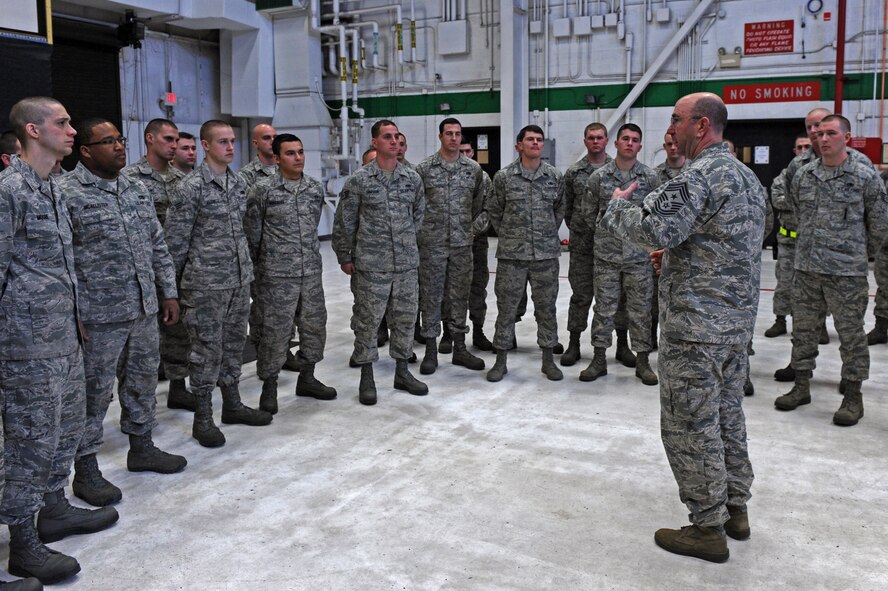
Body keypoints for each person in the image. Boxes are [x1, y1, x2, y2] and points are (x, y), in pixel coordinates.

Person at [600, 92, 764, 563]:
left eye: (677, 119)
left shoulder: (698, 175)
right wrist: (679, 257)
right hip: (734, 326)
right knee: (727, 416)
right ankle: (736, 510)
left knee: (690, 425)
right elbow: (730, 239)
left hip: (695, 328)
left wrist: (617, 206)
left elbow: (654, 228)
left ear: (702, 126)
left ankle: (706, 527)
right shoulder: (745, 176)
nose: (670, 126)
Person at [1, 97, 119, 585]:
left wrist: (76, 319)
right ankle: (24, 545)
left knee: (63, 431)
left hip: (63, 337)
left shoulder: (50, 187)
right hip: (27, 344)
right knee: (29, 442)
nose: (73, 131)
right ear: (34, 129)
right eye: (63, 123)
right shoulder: (10, 190)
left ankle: (53, 509)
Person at [59, 118, 187, 507]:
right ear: (85, 151)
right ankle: (85, 469)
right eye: (107, 141)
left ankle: (142, 446)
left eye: (120, 139)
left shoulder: (134, 188)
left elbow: (157, 244)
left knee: (143, 380)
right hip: (98, 316)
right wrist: (72, 311)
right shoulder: (67, 193)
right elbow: (61, 259)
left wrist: (168, 292)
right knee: (93, 394)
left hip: (143, 306)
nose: (118, 146)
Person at [774, 114, 888, 426]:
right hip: (807, 269)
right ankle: (801, 386)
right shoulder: (804, 175)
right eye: (820, 133)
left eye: (831, 133)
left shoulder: (865, 178)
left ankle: (853, 396)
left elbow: (879, 229)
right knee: (804, 332)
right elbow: (796, 213)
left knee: (851, 336)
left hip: (846, 274)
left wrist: (853, 255)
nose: (823, 139)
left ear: (847, 138)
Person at [165, 120, 272, 447]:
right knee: (205, 350)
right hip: (204, 285)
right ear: (206, 145)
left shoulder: (239, 184)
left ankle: (233, 404)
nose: (229, 147)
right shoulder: (191, 188)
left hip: (238, 281)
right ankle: (203, 417)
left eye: (232, 141)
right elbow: (175, 242)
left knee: (233, 344)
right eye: (222, 142)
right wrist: (173, 290)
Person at [333, 120, 427, 405]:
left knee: (405, 319)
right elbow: (345, 222)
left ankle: (402, 372)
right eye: (387, 137)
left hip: (405, 265)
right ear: (375, 142)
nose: (393, 141)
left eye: (397, 136)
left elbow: (418, 216)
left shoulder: (411, 178)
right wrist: (344, 256)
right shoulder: (359, 181)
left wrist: (404, 243)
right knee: (367, 322)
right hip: (371, 266)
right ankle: (367, 376)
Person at [244, 133, 337, 414]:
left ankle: (307, 377)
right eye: (290, 153)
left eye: (300, 152)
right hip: (275, 276)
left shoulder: (312, 188)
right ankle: (269, 386)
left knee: (314, 327)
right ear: (276, 159)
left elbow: (311, 228)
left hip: (310, 272)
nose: (298, 158)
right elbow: (252, 235)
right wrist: (262, 270)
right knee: (275, 332)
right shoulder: (263, 190)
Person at [121, 119, 192, 410]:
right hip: (140, 270)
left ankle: (178, 386)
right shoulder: (128, 179)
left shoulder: (182, 181)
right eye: (168, 139)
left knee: (178, 331)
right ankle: (137, 403)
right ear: (150, 139)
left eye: (176, 140)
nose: (174, 145)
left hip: (174, 268)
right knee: (138, 343)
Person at [484, 125, 564, 382]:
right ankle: (500, 360)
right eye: (530, 139)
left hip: (545, 256)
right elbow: (495, 211)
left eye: (539, 140)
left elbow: (559, 210)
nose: (535, 143)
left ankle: (548, 360)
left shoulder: (553, 176)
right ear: (519, 145)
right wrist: (511, 234)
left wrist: (545, 233)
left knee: (546, 309)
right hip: (512, 257)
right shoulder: (504, 177)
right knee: (506, 309)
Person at [582, 123, 660, 385]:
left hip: (639, 258)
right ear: (615, 144)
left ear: (640, 146)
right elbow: (588, 214)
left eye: (635, 139)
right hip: (607, 257)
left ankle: (643, 361)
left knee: (640, 310)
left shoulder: (650, 178)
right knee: (604, 309)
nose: (629, 143)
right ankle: (599, 358)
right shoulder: (599, 177)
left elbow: (657, 217)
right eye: (625, 138)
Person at [414, 118, 487, 375]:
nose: (454, 138)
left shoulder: (473, 170)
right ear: (440, 137)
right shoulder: (423, 169)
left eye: (457, 134)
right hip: (431, 245)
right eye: (449, 133)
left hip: (461, 246)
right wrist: (421, 232)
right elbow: (414, 205)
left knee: (459, 297)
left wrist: (471, 230)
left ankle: (459, 348)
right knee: (431, 297)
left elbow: (483, 206)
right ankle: (431, 350)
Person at [771, 109, 838, 382]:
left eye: (820, 127)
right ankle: (799, 367)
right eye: (810, 127)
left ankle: (850, 375)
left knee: (846, 317)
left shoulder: (854, 166)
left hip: (836, 252)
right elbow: (783, 197)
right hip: (799, 248)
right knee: (801, 306)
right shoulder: (798, 167)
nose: (815, 133)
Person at [560, 123, 612, 367]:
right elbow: (567, 208)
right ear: (585, 140)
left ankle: (619, 345)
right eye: (591, 137)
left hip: (611, 247)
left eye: (599, 137)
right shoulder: (574, 173)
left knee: (611, 300)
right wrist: (580, 229)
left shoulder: (616, 170)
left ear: (606, 140)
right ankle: (574, 343)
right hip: (582, 247)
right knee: (580, 297)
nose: (595, 142)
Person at [765, 132, 813, 339]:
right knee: (784, 282)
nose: (803, 151)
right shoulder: (783, 177)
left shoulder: (819, 175)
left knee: (813, 287)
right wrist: (806, 199)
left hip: (812, 243)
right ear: (795, 151)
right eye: (799, 147)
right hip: (788, 241)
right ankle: (780, 320)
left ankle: (815, 326)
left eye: (806, 147)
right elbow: (778, 200)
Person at [456, 139, 494, 350]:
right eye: (461, 151)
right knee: (450, 289)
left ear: (473, 152)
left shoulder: (483, 177)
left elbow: (489, 209)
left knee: (478, 288)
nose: (465, 154)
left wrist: (469, 232)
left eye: (468, 150)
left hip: (476, 243)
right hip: (449, 244)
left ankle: (478, 331)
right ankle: (450, 333)